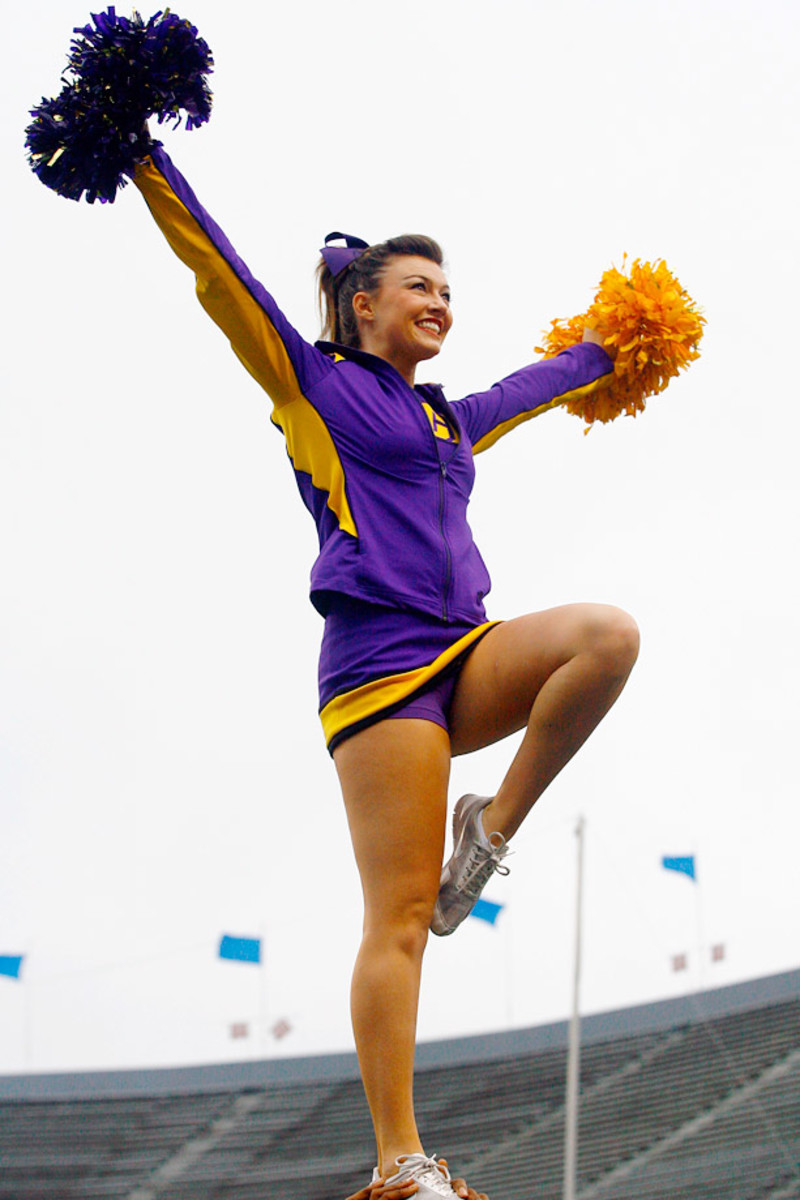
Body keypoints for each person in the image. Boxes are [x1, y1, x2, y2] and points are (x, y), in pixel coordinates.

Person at [131, 144, 639, 1199]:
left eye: (448, 293)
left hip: (464, 646)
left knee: (605, 638)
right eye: (419, 288)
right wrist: (143, 157)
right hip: (381, 672)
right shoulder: (311, 384)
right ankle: (398, 1160)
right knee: (400, 917)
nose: (440, 304)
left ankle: (487, 829)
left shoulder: (448, 420)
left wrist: (622, 340)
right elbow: (223, 275)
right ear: (362, 305)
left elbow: (540, 382)